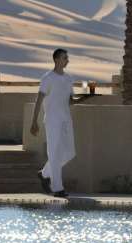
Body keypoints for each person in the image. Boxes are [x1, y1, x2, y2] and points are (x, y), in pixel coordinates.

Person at [30, 49, 90, 198]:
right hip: (52, 120)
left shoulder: (68, 78)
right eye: (65, 58)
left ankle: (44, 173)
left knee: (70, 152)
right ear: (56, 59)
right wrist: (34, 121)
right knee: (54, 153)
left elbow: (70, 100)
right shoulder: (48, 78)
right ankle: (57, 188)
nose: (67, 60)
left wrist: (85, 98)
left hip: (66, 119)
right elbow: (39, 100)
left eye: (67, 58)